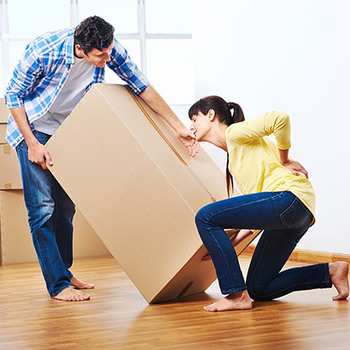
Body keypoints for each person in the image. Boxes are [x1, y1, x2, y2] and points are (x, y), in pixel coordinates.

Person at [4, 16, 197, 302]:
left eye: (109, 52)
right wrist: (32, 143)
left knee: (66, 208)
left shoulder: (108, 47)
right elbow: (13, 95)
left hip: (69, 130)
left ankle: (65, 272)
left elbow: (140, 84)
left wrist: (178, 127)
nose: (108, 59)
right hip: (33, 128)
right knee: (43, 209)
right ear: (80, 49)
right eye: (101, 56)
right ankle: (57, 285)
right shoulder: (43, 51)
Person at [188, 95, 349, 312]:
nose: (191, 125)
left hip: (289, 200)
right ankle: (330, 272)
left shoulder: (234, 133)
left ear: (210, 115)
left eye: (194, 118)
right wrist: (231, 242)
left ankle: (236, 295)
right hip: (294, 213)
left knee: (205, 217)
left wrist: (285, 159)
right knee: (260, 288)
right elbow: (259, 209)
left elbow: (279, 119)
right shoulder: (235, 159)